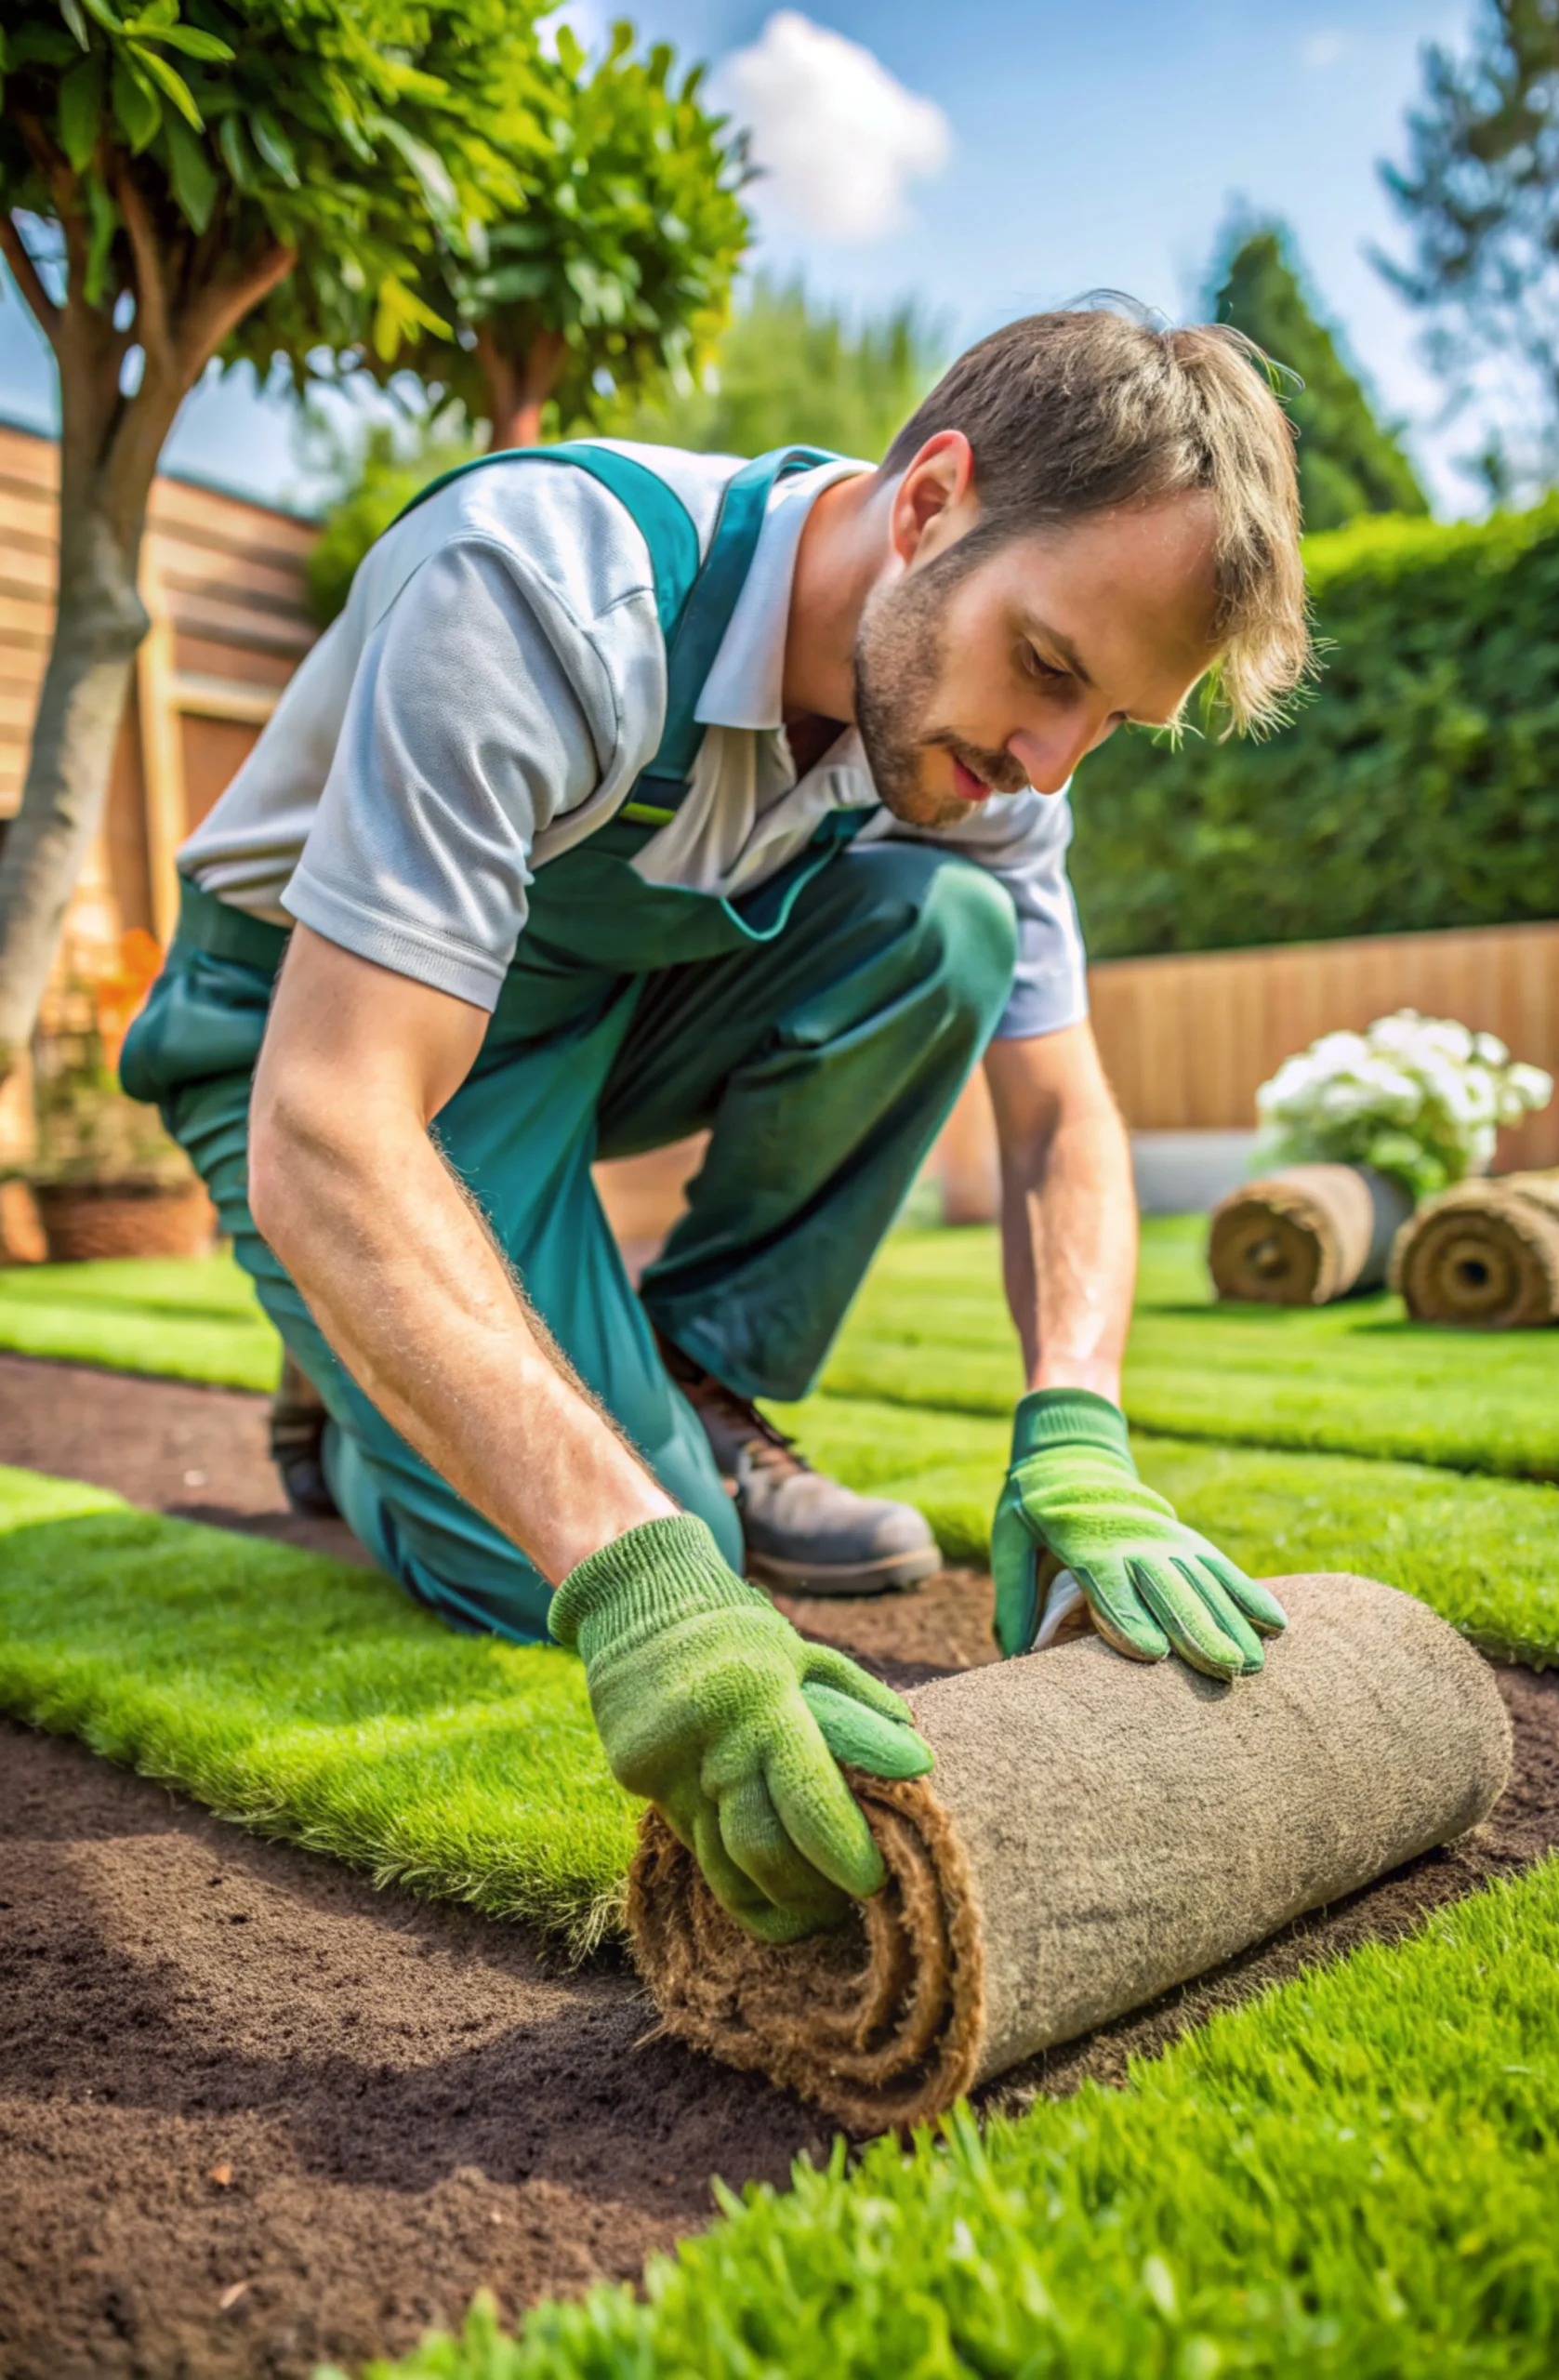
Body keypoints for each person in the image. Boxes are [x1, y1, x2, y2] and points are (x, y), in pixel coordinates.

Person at [124, 305, 1310, 1946]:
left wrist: (1081, 1427)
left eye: (1109, 718)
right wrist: (639, 1574)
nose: (1050, 764)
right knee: (571, 1545)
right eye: (1046, 667)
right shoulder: (546, 588)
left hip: (599, 1005)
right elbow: (331, 1119)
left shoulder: (994, 763)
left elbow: (1056, 1117)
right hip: (319, 1037)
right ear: (928, 503)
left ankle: (680, 1377)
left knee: (944, 930)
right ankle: (354, 1397)